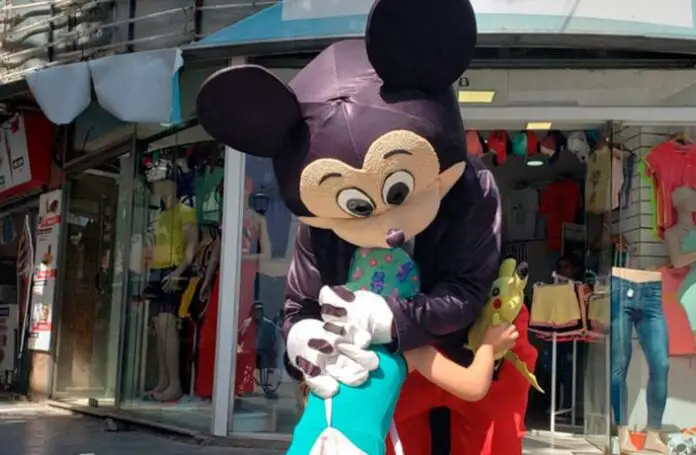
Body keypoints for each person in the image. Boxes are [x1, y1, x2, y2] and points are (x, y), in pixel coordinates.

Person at [196, 0, 536, 452]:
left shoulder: (470, 189)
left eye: (396, 194)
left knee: (491, 439)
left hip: (471, 336)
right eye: (357, 208)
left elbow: (465, 291)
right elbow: (302, 305)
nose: (388, 230)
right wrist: (304, 341)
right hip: (393, 361)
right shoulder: (321, 222)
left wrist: (394, 319)